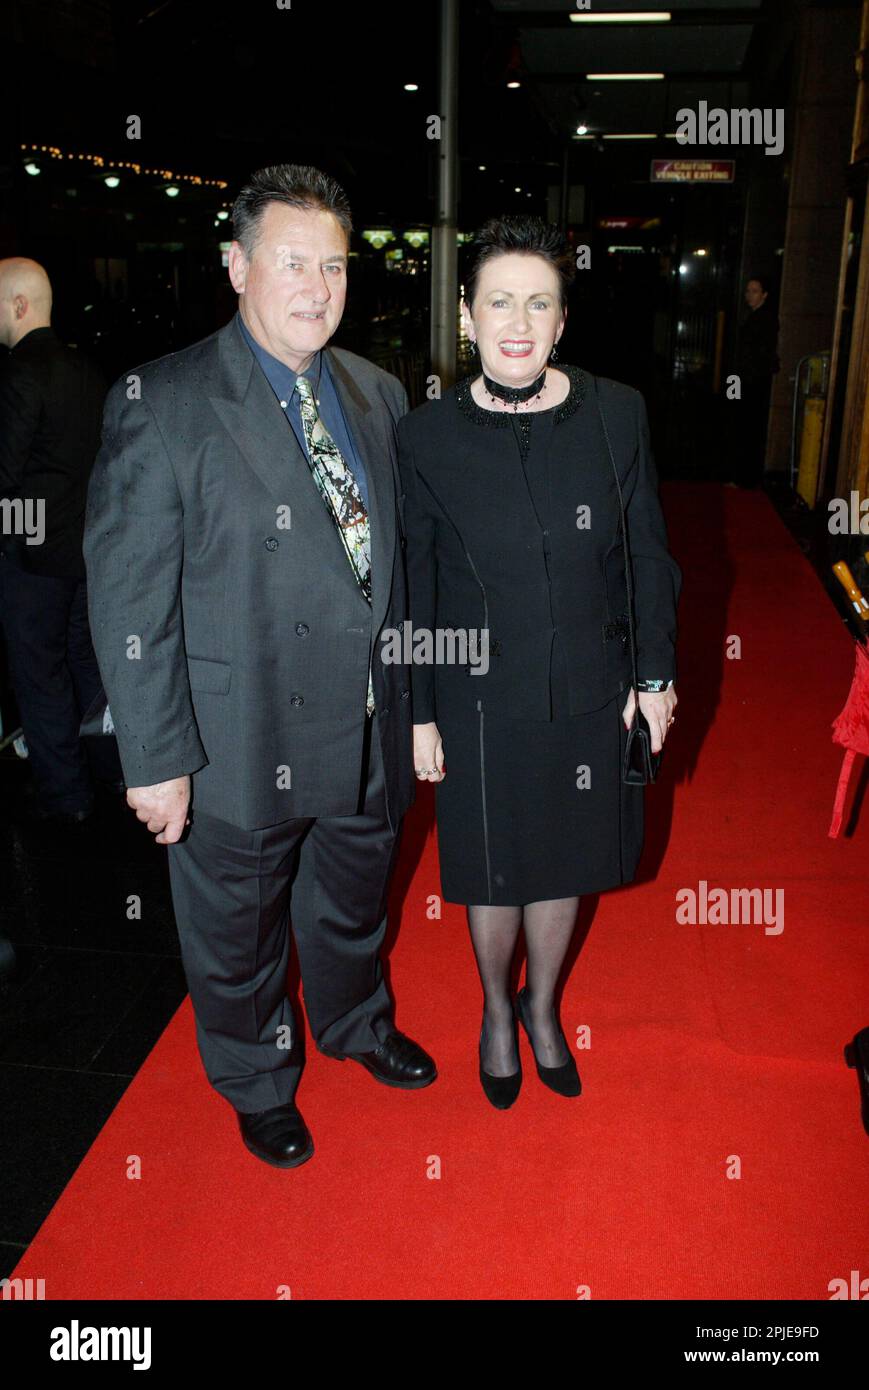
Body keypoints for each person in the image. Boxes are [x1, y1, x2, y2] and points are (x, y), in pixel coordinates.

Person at [83, 164, 434, 1170]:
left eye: (332, 265)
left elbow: (391, 571)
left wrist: (415, 705)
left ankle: (357, 1022)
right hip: (241, 734)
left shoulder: (375, 390)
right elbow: (128, 594)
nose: (316, 287)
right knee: (236, 929)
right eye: (292, 262)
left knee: (353, 898)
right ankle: (256, 1075)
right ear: (236, 265)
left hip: (367, 719)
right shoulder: (164, 400)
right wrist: (153, 757)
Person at [397, 215, 682, 1109]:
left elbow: (646, 555)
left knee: (563, 861)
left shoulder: (614, 411)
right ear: (465, 316)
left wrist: (656, 678)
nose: (516, 321)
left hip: (591, 692)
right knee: (490, 867)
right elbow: (413, 584)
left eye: (538, 303)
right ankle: (493, 1008)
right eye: (497, 302)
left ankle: (542, 1004)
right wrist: (416, 710)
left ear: (561, 322)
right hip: (477, 696)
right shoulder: (424, 436)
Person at [0, 257, 112, 825]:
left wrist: (14, 534)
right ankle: (110, 771)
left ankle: (65, 797)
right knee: (86, 666)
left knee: (38, 675)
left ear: (19, 305)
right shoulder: (86, 369)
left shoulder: (20, 371)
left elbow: (6, 472)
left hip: (33, 559)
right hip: (83, 553)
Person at [731, 274, 780, 488]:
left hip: (752, 382)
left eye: (754, 291)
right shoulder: (754, 317)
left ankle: (747, 478)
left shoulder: (764, 319)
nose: (749, 295)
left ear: (764, 295)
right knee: (746, 427)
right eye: (748, 291)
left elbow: (757, 355)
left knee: (749, 428)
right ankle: (745, 477)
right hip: (747, 381)